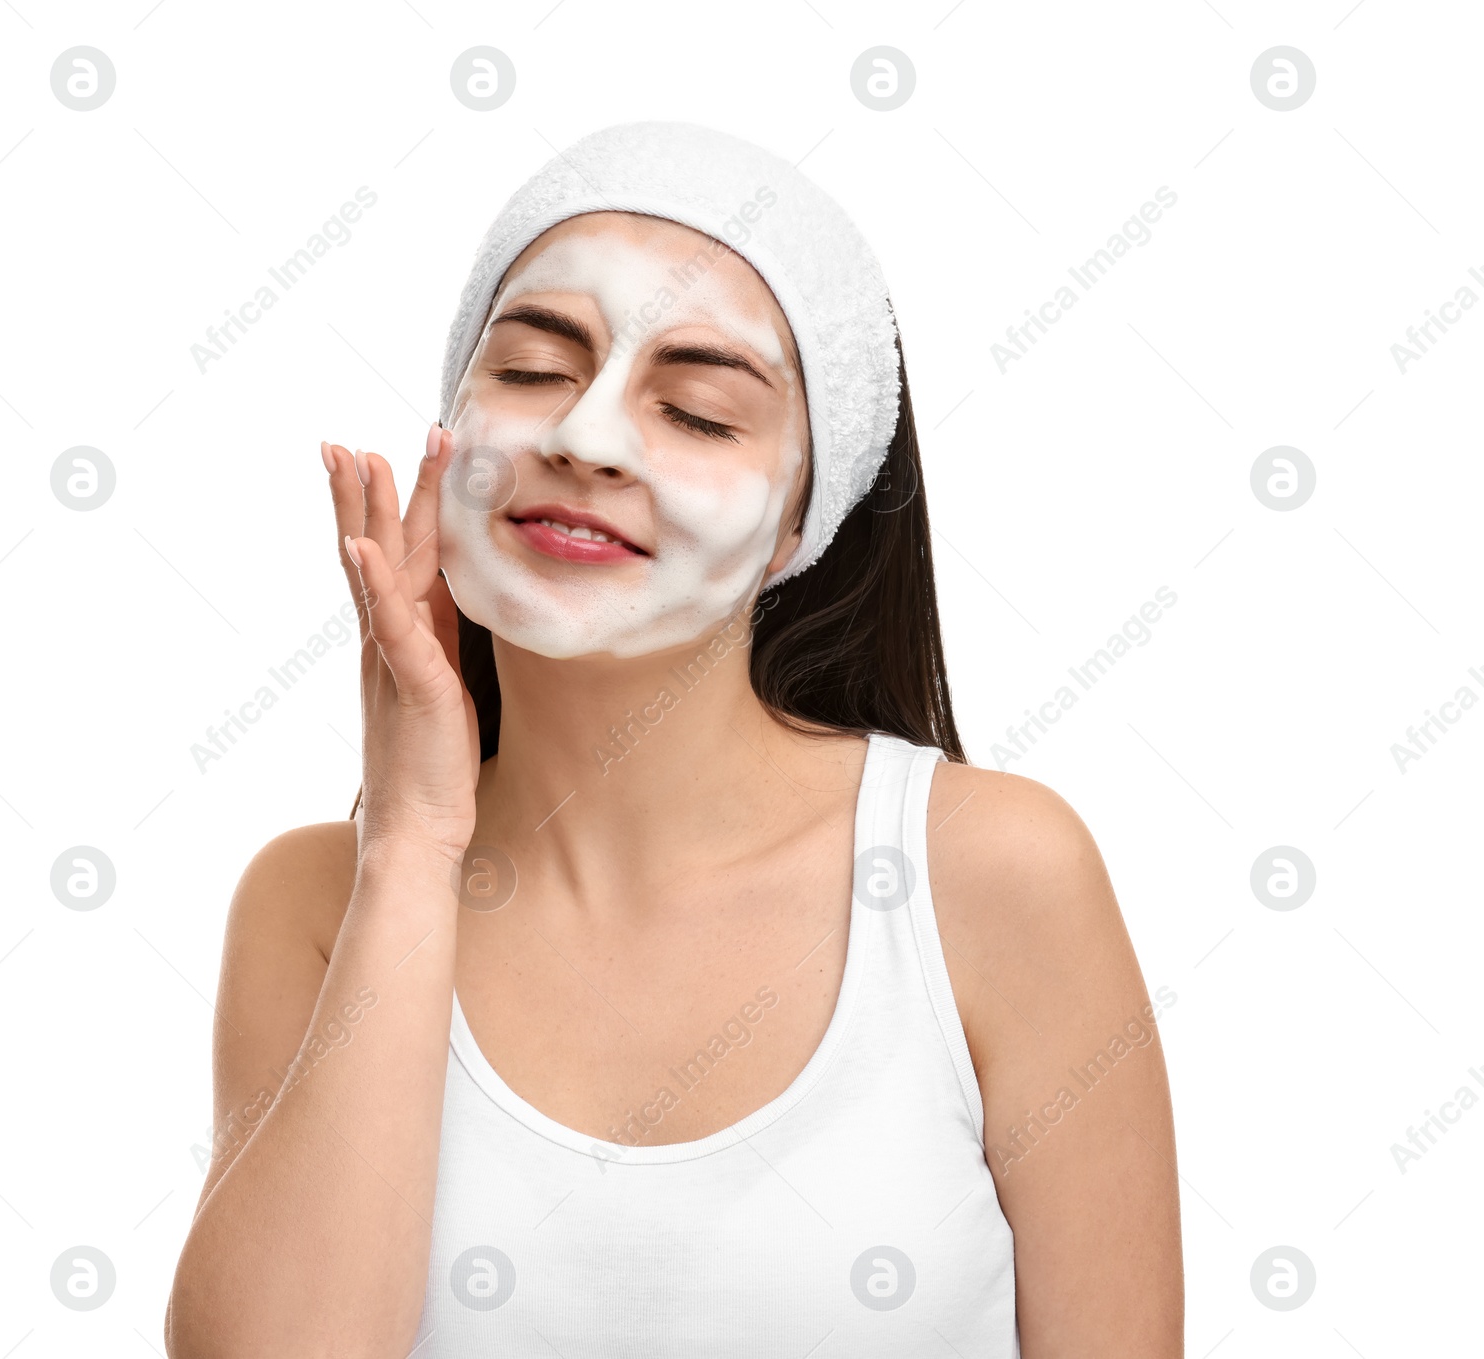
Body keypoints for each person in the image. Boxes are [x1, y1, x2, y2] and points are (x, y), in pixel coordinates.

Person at [165, 121, 1181, 1358]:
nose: (584, 439)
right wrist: (416, 844)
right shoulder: (316, 900)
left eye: (697, 412)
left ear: (804, 515)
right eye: (533, 368)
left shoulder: (990, 875)